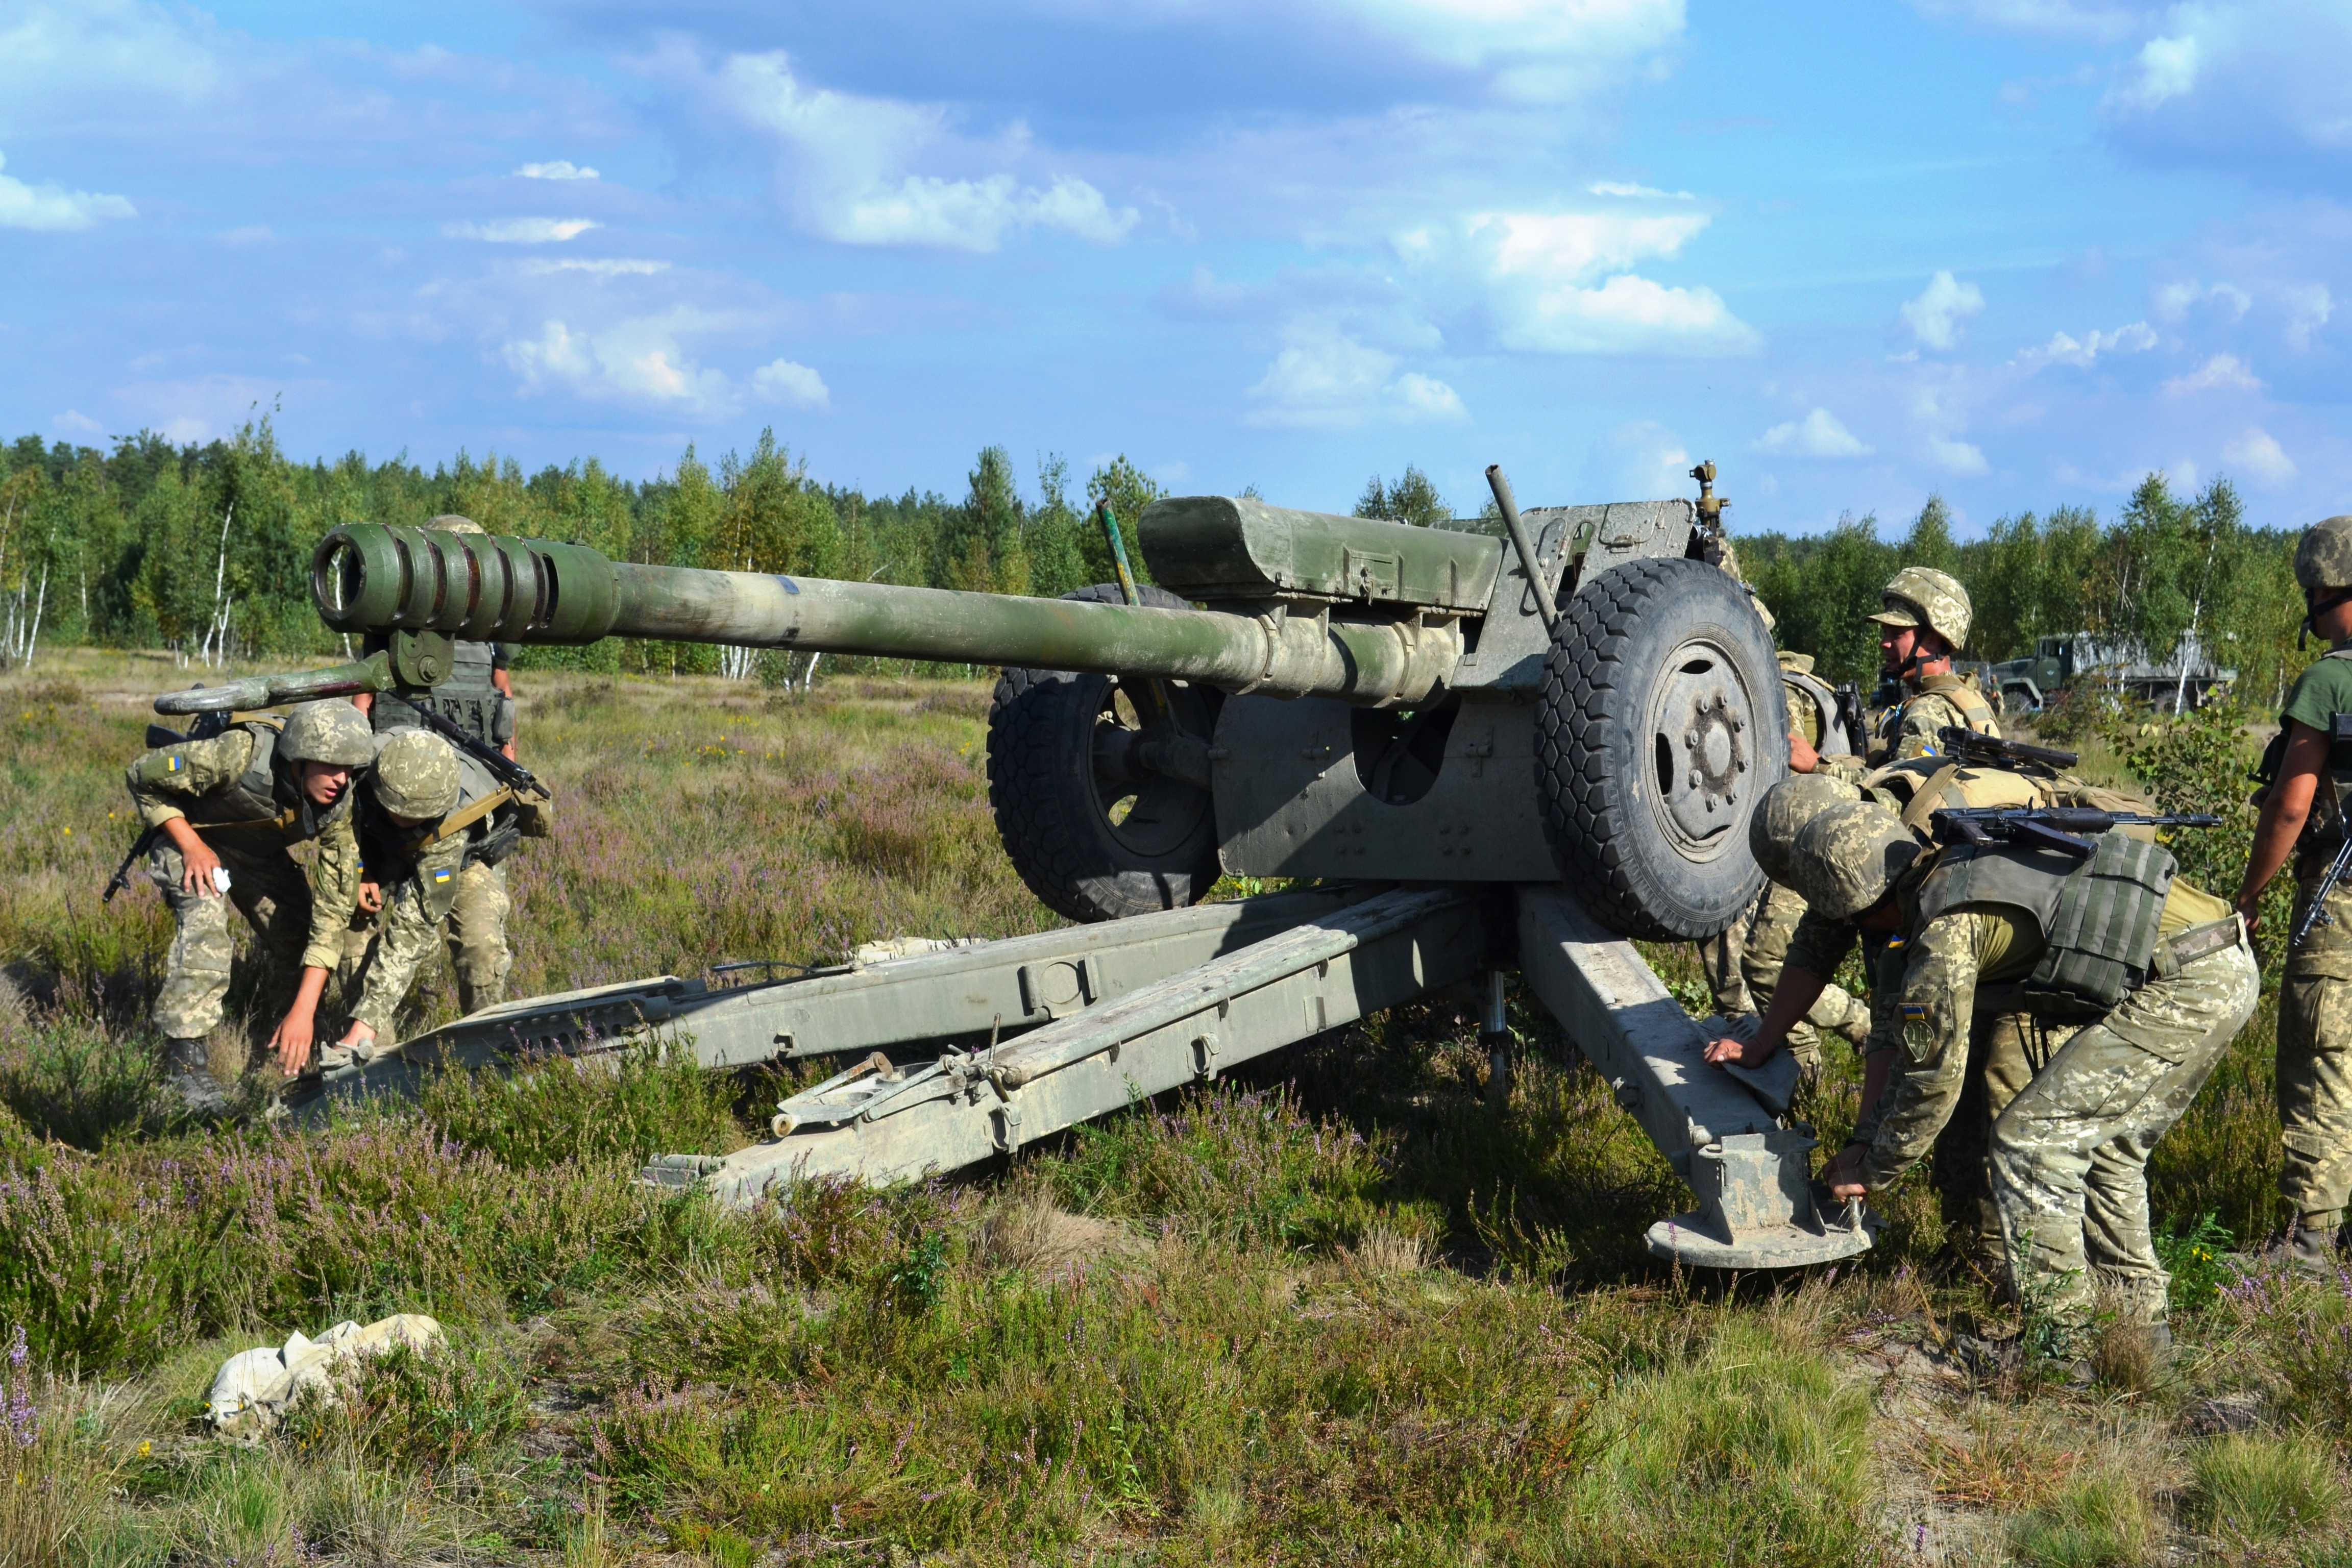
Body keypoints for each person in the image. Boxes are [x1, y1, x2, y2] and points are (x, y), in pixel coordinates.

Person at [1710, 797, 2257, 1349]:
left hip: (2188, 986)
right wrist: (1869, 1138)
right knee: (2109, 1151)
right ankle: (2141, 1336)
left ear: (1860, 911)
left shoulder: (1944, 931)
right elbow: (1910, 1050)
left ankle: (2061, 1350)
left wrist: (1874, 1167)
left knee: (2032, 1142)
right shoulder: (1950, 861)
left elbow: (1931, 1081)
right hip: (2216, 957)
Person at [126, 698, 377, 1108]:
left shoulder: (340, 804)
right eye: (331, 765)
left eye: (350, 769)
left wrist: (303, 1012)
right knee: (207, 929)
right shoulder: (236, 755)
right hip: (187, 839)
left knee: (299, 928)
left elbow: (331, 915)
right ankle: (184, 1066)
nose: (341, 779)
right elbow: (140, 775)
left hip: (256, 855)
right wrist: (191, 845)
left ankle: (282, 1037)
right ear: (299, 759)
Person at [344, 513, 522, 1019]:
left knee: (484, 951)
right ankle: (377, 1059)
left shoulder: (491, 630)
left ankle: (484, 1059)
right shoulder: (390, 624)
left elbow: (502, 698)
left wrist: (507, 771)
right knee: (367, 946)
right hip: (390, 820)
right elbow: (363, 702)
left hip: (467, 823)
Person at [2235, 513, 2352, 1269]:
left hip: (2340, 900)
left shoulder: (2331, 679)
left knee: (2322, 1061)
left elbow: (2290, 804)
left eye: (2314, 595)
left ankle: (2309, 1247)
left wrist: (2249, 894)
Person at [329, 730, 520, 1063]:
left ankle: (486, 1048)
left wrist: (367, 1019)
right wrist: (361, 870)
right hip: (380, 852)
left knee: (481, 946)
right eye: (400, 810)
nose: (408, 818)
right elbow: (341, 831)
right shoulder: (359, 773)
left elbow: (416, 923)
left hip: (462, 860)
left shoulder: (454, 814)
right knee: (348, 932)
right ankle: (375, 1057)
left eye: (418, 815)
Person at [1793, 567, 1997, 777]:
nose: (1884, 643)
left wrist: (1817, 766)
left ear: (1934, 639)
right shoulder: (1969, 698)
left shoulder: (1927, 712)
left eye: (1897, 634)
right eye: (1885, 633)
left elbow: (1896, 794)